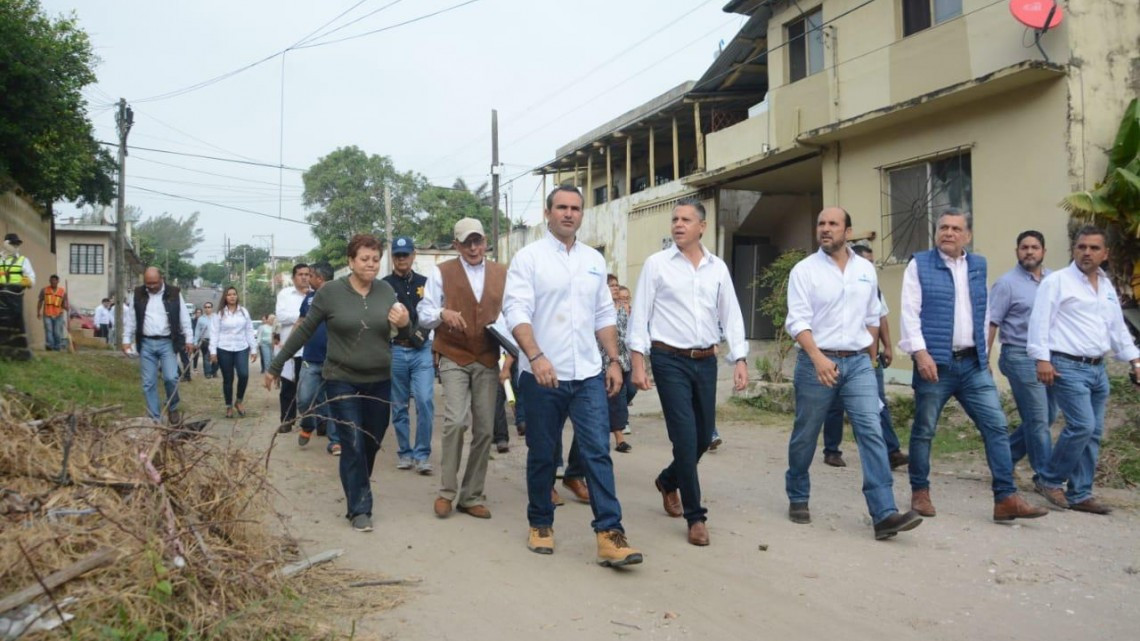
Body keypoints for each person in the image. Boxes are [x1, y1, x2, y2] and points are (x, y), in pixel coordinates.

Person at [504, 185, 642, 567]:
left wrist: (614, 361)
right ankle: (540, 522)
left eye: (575, 208)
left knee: (597, 451)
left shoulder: (593, 261)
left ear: (582, 214)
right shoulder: (528, 259)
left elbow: (603, 315)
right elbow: (517, 311)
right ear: (547, 213)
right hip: (542, 374)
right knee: (543, 453)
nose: (569, 214)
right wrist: (536, 356)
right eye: (561, 207)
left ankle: (610, 533)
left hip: (587, 375)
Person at [782, 208, 921, 540]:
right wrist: (817, 358)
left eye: (833, 224)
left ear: (848, 231)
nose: (825, 229)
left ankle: (884, 512)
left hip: (858, 363)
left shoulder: (865, 270)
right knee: (806, 432)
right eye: (821, 224)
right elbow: (797, 321)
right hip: (817, 362)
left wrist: (871, 359)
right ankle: (798, 494)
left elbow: (873, 315)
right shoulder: (804, 271)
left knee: (871, 431)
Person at [899, 209, 1047, 522]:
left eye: (955, 228)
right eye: (943, 227)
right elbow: (909, 313)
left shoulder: (978, 264)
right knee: (925, 430)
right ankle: (920, 492)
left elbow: (982, 313)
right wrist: (920, 353)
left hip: (972, 364)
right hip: (935, 365)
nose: (948, 233)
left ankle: (1005, 498)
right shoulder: (919, 264)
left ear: (967, 235)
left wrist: (984, 355)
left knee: (995, 426)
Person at [265, 234, 410, 533]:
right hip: (341, 380)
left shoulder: (386, 292)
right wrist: (277, 365)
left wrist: (406, 323)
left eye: (374, 259)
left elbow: (407, 335)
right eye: (364, 259)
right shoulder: (330, 292)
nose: (370, 264)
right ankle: (359, 508)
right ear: (350, 262)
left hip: (380, 381)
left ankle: (358, 486)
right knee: (353, 442)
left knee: (371, 442)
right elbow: (305, 330)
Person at [627, 199, 747, 545]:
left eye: (686, 219)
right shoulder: (657, 265)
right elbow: (641, 316)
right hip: (669, 360)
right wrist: (638, 361)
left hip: (706, 360)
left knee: (703, 436)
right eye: (674, 219)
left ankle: (668, 480)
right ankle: (696, 518)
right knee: (683, 436)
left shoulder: (717, 268)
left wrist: (739, 358)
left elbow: (732, 315)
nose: (678, 224)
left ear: (702, 227)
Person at [1028, 225, 1140, 514]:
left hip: (1097, 369)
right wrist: (1042, 359)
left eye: (1093, 248)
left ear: (1105, 253)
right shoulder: (1058, 282)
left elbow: (1117, 328)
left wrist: (1135, 360)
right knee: (1082, 425)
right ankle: (1050, 479)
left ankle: (1080, 493)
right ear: (1074, 250)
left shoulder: (1105, 286)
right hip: (1066, 366)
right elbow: (1039, 321)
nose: (1086, 252)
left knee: (1093, 432)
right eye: (1081, 247)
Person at [418, 218, 505, 519]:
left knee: (485, 429)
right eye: (467, 242)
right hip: (454, 354)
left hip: (488, 357)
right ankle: (446, 491)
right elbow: (424, 313)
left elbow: (513, 311)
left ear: (485, 242)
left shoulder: (501, 272)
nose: (473, 247)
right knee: (455, 421)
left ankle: (471, 495)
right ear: (456, 245)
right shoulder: (441, 273)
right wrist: (442, 313)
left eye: (478, 241)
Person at [820, 243, 908, 470]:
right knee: (835, 404)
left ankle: (891, 450)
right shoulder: (836, 286)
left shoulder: (872, 286)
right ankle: (832, 449)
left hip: (868, 357)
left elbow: (881, 319)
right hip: (837, 355)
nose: (870, 266)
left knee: (878, 404)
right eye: (866, 261)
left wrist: (886, 347)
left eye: (872, 262)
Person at [987, 230, 1055, 484]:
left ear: (1043, 252)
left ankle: (1004, 458)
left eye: (1034, 247)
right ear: (1017, 251)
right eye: (1024, 247)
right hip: (1019, 355)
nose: (1029, 251)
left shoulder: (1054, 280)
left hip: (1049, 357)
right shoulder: (1007, 283)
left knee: (1047, 416)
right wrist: (984, 360)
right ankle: (1046, 478)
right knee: (1038, 419)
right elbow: (991, 322)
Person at [382, 237, 435, 472]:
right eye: (397, 255)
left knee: (424, 400)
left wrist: (420, 336)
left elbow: (432, 313)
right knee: (399, 404)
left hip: (421, 350)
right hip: (395, 350)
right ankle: (405, 452)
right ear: (392, 257)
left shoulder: (427, 283)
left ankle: (422, 454)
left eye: (406, 254)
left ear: (414, 255)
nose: (402, 259)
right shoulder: (383, 286)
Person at [122, 267, 193, 424]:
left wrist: (189, 338)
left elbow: (184, 318)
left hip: (167, 342)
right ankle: (155, 418)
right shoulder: (139, 293)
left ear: (162, 279)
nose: (151, 286)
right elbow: (131, 319)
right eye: (148, 284)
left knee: (171, 377)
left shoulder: (174, 293)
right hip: (146, 343)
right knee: (148, 382)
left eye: (154, 283)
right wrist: (126, 339)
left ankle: (172, 406)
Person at [296, 262, 341, 455]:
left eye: (311, 275)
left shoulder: (341, 297)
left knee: (334, 401)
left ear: (320, 278)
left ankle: (335, 441)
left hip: (334, 360)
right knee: (304, 399)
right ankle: (308, 424)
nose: (307, 278)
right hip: (310, 358)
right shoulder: (309, 299)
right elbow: (300, 323)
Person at [209, 286, 257, 419]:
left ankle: (239, 401)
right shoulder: (220, 314)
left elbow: (249, 330)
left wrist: (253, 348)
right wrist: (213, 352)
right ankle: (228, 405)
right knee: (228, 379)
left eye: (234, 294)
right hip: (224, 348)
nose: (232, 297)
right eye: (229, 294)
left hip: (241, 348)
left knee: (243, 374)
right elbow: (214, 333)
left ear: (237, 296)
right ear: (225, 297)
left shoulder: (244, 312)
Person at [275, 264, 311, 432]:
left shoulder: (315, 294)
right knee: (288, 387)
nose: (304, 277)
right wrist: (304, 315)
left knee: (309, 388)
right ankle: (287, 420)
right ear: (294, 277)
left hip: (310, 349)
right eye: (300, 274)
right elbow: (281, 317)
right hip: (291, 350)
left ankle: (312, 423)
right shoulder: (285, 294)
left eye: (307, 274)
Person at [605, 277, 632, 453]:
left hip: (626, 360)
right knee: (617, 398)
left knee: (631, 390)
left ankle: (612, 420)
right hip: (607, 361)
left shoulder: (623, 310)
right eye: (611, 286)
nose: (615, 288)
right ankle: (619, 438)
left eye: (616, 285)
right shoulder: (602, 310)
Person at [0, 233, 34, 361]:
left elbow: (31, 278)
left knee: (16, 324)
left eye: (17, 244)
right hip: (1, 296)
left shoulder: (23, 260)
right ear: (6, 244)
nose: (16, 246)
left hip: (15, 297)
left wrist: (26, 282)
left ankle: (20, 354)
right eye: (13, 243)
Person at [37, 274, 69, 351]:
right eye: (51, 280)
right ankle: (50, 346)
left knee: (57, 332)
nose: (53, 282)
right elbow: (40, 301)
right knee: (49, 331)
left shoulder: (63, 292)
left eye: (55, 280)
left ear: (58, 281)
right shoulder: (44, 290)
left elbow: (63, 304)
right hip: (47, 314)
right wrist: (38, 312)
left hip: (58, 315)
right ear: (49, 281)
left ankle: (57, 347)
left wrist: (66, 308)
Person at [194, 302, 216, 379]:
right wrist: (195, 342)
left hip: (215, 340)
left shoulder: (216, 317)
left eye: (209, 307)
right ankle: (207, 373)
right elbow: (197, 331)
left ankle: (213, 371)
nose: (207, 309)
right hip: (205, 340)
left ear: (212, 308)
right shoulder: (201, 319)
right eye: (206, 307)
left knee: (216, 356)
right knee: (206, 357)